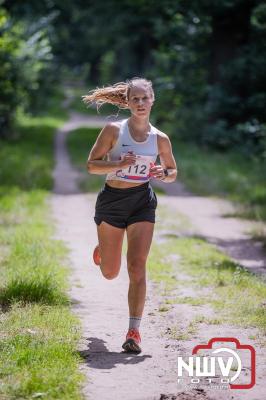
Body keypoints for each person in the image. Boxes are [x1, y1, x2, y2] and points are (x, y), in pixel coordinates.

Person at [83, 78, 177, 354]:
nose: (139, 103)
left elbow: (173, 172)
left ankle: (134, 331)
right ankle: (104, 245)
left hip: (141, 203)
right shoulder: (114, 130)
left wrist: (164, 173)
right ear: (127, 102)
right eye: (134, 98)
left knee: (137, 266)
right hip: (112, 202)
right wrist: (118, 163)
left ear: (152, 100)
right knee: (110, 272)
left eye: (144, 98)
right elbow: (91, 166)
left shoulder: (160, 139)